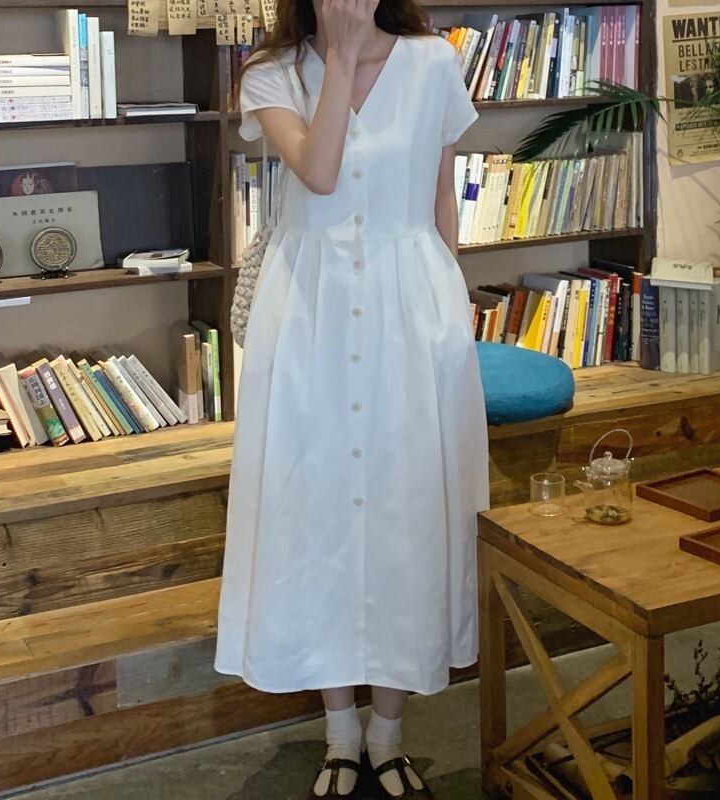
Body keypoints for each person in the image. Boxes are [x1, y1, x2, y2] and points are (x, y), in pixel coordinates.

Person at [213, 0, 490, 796]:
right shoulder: (272, 73)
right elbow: (321, 171)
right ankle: (340, 730)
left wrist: (451, 312)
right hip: (310, 314)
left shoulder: (434, 62)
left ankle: (389, 731)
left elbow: (440, 198)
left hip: (414, 310)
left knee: (409, 515)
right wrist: (337, 54)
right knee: (317, 515)